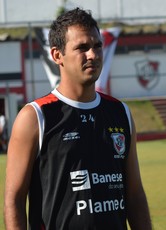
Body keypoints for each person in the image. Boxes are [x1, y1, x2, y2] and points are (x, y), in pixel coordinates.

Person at [4, 8, 152, 230]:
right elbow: (14, 200)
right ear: (57, 55)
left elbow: (134, 193)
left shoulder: (120, 113)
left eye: (97, 46)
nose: (93, 54)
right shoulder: (35, 117)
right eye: (82, 47)